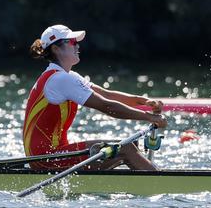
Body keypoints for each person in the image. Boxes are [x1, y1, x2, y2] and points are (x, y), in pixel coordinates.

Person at [23, 24, 168, 170]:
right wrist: (150, 117)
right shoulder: (60, 79)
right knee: (126, 149)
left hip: (55, 154)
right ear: (56, 49)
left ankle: (142, 181)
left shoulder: (67, 76)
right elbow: (107, 106)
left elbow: (106, 94)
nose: (77, 46)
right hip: (46, 159)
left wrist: (145, 102)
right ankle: (161, 186)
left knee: (129, 147)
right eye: (72, 42)